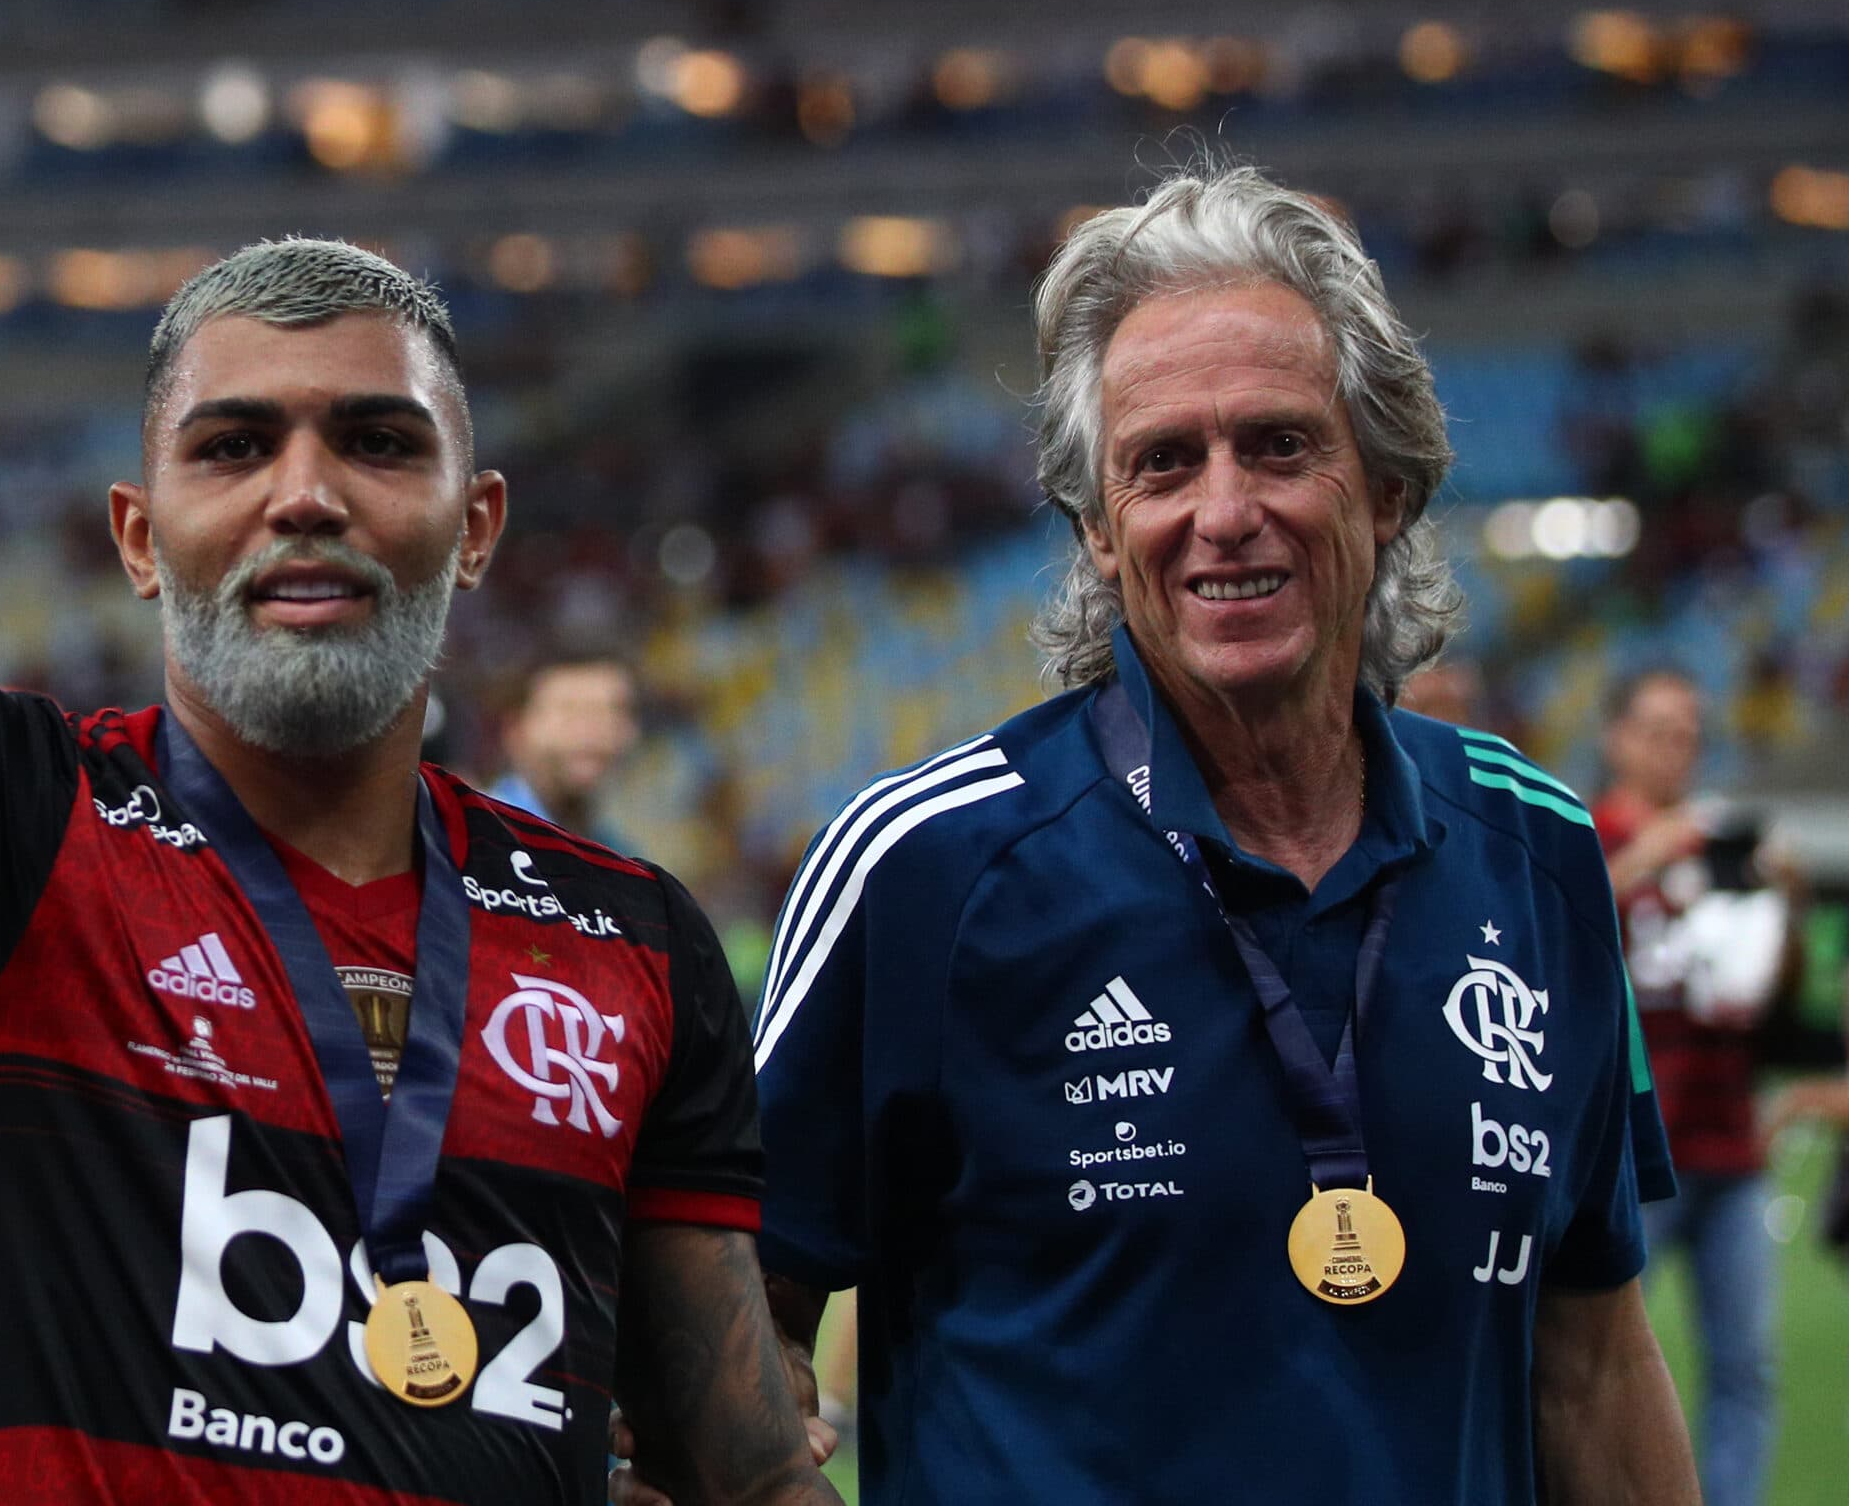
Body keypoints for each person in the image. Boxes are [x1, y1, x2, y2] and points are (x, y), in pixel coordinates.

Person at [0, 0, 836, 1506]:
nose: (304, 494)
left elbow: (745, 1474)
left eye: (373, 440)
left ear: (476, 525)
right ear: (139, 538)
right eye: (232, 447)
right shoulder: (5, 830)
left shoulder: (633, 939)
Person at [629, 166, 1694, 1505]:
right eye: (1163, 463)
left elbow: (1588, 1357)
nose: (1224, 510)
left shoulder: (1537, 853)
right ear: (1094, 530)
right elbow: (718, 1307)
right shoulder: (927, 867)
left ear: (1391, 489)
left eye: (1281, 445)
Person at [1596, 668, 1798, 1506]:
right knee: (1597, 1356)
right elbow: (1557, 939)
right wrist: (1648, 855)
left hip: (1727, 1135)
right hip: (1634, 1148)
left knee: (1746, 1364)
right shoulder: (1582, 827)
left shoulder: (1722, 847)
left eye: (1689, 733)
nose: (1677, 748)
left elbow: (1766, 1000)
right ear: (1616, 737)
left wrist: (1785, 901)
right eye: (1660, 730)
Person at [488, 650, 640, 848]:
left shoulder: (620, 854)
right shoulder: (477, 839)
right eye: (570, 710)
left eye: (611, 712)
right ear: (515, 730)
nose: (591, 732)